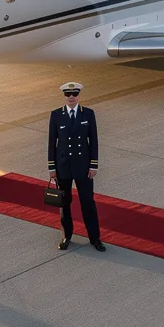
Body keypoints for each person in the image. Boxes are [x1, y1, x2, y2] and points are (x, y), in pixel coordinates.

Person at [47, 82, 104, 251]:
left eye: (74, 94)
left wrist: (93, 165)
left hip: (83, 166)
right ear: (64, 96)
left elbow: (93, 141)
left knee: (87, 202)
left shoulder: (88, 114)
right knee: (64, 203)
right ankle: (67, 235)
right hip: (63, 166)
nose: (71, 97)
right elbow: (52, 143)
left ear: (79, 95)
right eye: (68, 94)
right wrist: (52, 167)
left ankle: (95, 238)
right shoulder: (56, 115)